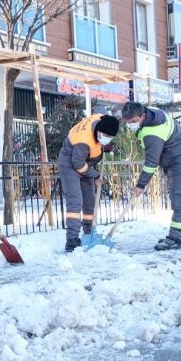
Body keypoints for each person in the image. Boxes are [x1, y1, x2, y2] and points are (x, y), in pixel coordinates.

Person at [121, 101, 181, 251]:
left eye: (133, 121)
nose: (130, 125)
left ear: (142, 115)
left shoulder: (152, 132)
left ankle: (176, 238)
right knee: (177, 199)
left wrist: (141, 185)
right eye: (127, 122)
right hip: (179, 160)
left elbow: (151, 163)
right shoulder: (153, 113)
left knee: (179, 198)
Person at [58, 106, 120, 252]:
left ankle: (88, 232)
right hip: (70, 163)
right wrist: (96, 175)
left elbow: (101, 110)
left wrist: (105, 145)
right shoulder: (83, 140)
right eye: (105, 136)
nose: (107, 139)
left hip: (87, 163)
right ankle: (72, 239)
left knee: (90, 201)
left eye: (109, 138)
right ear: (98, 130)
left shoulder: (102, 119)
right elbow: (78, 164)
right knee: (75, 201)